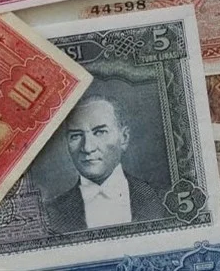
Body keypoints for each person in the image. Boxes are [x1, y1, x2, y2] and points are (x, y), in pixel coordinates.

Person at [45, 96, 167, 233]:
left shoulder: (162, 198)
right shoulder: (47, 214)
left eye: (100, 132)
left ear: (124, 138)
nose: (87, 148)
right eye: (76, 135)